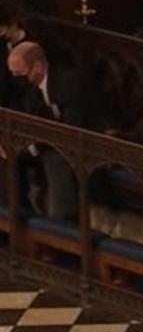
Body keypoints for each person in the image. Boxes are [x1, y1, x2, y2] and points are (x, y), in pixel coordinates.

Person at [7, 42, 87, 220]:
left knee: (54, 158)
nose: (16, 78)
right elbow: (30, 119)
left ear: (37, 67)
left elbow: (71, 127)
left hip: (81, 141)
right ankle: (15, 213)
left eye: (19, 73)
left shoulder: (67, 80)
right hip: (47, 140)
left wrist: (34, 145)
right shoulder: (28, 88)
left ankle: (62, 222)